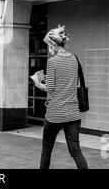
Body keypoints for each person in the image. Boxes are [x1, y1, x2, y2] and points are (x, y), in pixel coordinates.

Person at [33, 25, 88, 169]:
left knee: (46, 150)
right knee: (76, 152)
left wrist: (38, 83)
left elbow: (50, 88)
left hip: (55, 114)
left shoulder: (52, 62)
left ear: (53, 44)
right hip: (73, 113)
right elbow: (72, 84)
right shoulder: (74, 59)